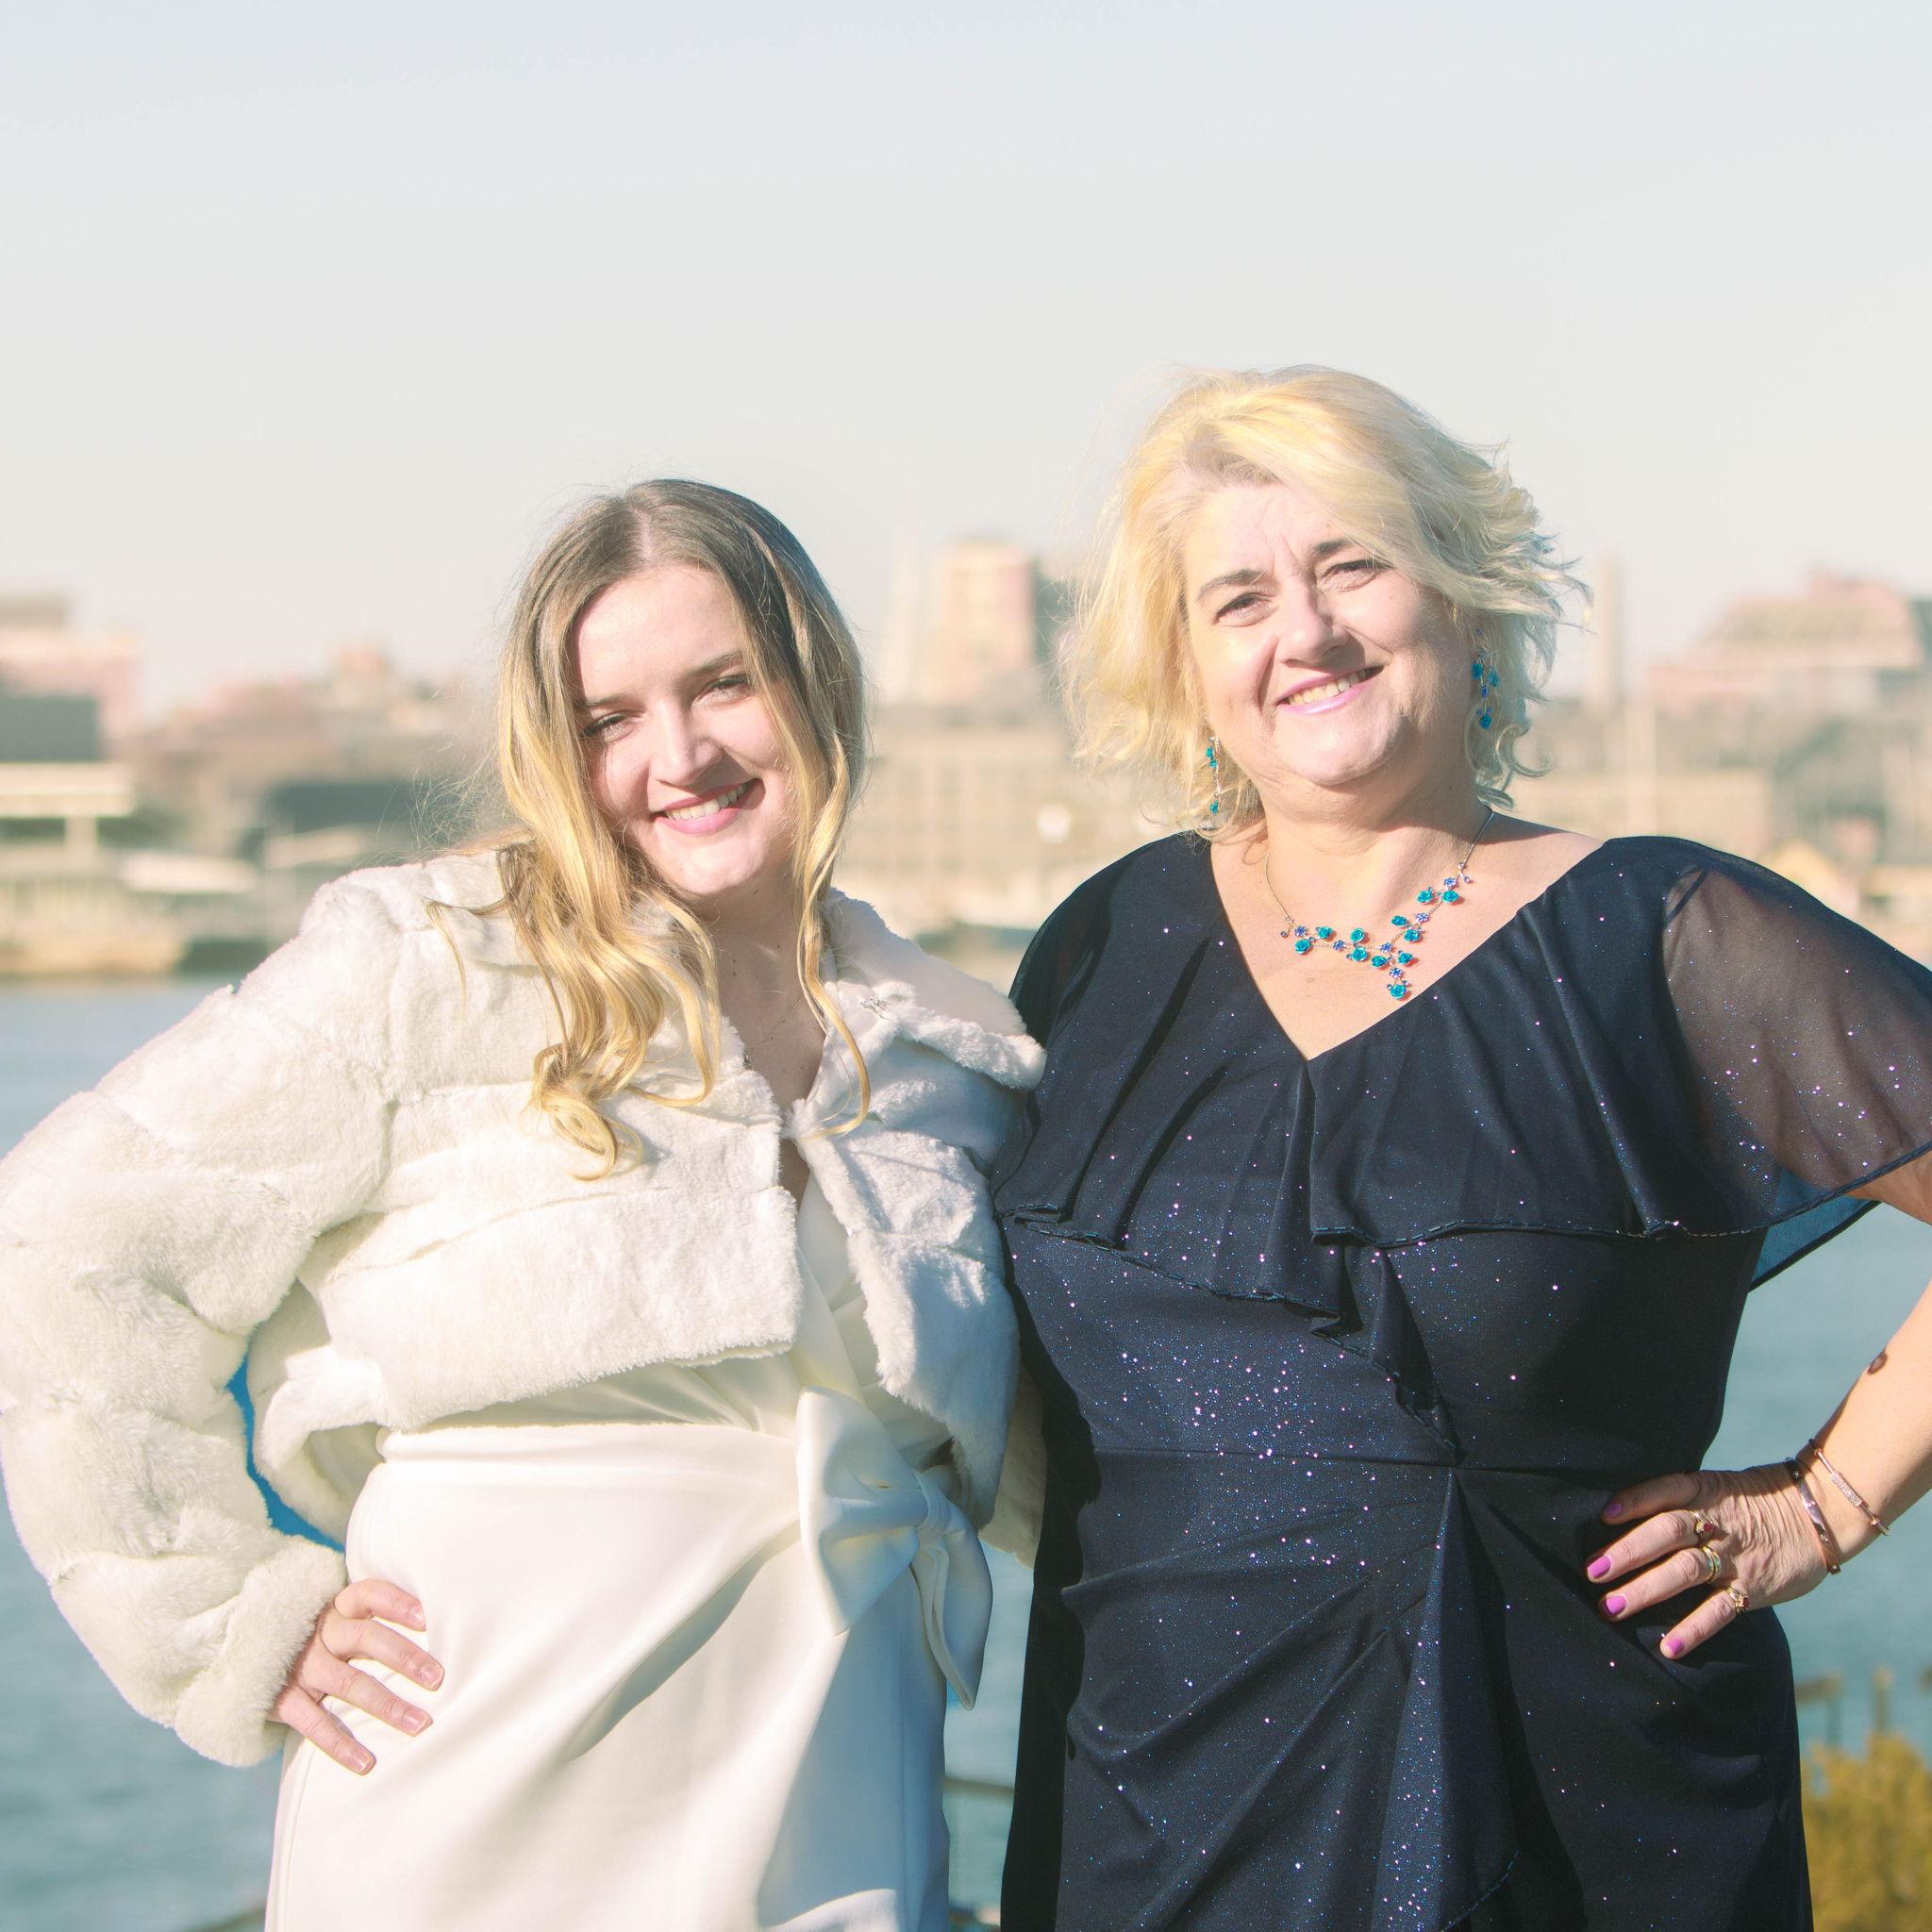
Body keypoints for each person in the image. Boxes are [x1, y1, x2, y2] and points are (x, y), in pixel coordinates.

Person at [0, 480, 1044, 1931]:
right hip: (476, 1797)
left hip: (840, 1797)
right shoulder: (425, 966)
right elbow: (64, 1247)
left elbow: (1086, 1446)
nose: (679, 756)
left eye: (724, 684)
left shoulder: (956, 1053)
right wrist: (229, 1620)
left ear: (818, 685)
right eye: (611, 718)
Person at [988, 366, 1932, 1931]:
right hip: (1143, 1815)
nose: (1305, 632)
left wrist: (1824, 1503)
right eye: (1238, 599)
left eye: (1352, 564)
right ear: (1188, 668)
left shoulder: (1662, 937)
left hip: (1575, 1817)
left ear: (1464, 599)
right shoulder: (1105, 946)